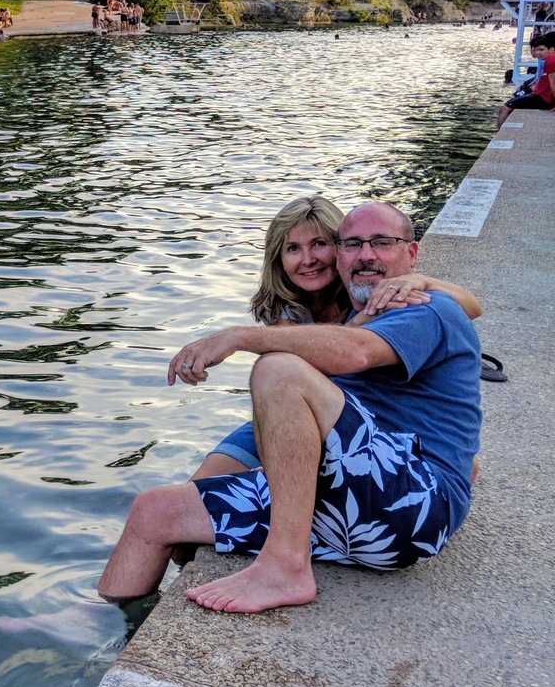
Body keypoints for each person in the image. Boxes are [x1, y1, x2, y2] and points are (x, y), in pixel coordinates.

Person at [97, 201, 481, 614]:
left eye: (382, 243)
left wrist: (239, 338)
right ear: (341, 254)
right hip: (341, 496)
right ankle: (108, 622)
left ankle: (284, 566)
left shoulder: (424, 306)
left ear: (411, 252)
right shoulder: (315, 311)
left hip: (411, 508)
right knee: (155, 510)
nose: (366, 255)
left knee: (279, 369)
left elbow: (355, 352)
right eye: (353, 244)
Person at [192, 195, 483, 481]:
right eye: (293, 249)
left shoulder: (363, 286)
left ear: (339, 246)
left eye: (319, 244)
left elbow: (470, 308)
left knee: (270, 481)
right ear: (278, 259)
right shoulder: (285, 308)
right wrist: (358, 324)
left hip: (352, 416)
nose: (308, 260)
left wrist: (424, 281)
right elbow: (301, 376)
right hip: (306, 410)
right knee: (204, 481)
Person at [497, 31, 553, 126]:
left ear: (551, 49)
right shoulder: (547, 60)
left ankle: (499, 133)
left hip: (542, 98)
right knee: (513, 101)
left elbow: (552, 84)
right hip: (540, 95)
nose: (538, 52)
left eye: (541, 49)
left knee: (505, 108)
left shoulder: (550, 61)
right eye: (537, 50)